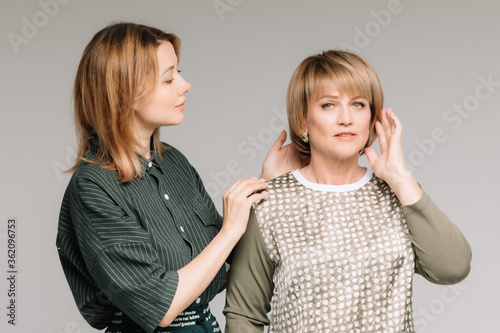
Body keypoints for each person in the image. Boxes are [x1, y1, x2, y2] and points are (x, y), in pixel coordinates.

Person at [56, 22, 302, 333]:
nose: (185, 85)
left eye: (179, 73)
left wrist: (265, 183)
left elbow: (222, 270)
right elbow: (161, 305)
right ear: (125, 92)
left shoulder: (173, 162)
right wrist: (229, 230)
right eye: (169, 78)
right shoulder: (93, 186)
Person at [224, 50, 472, 332]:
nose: (346, 118)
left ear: (371, 117)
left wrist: (401, 178)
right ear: (303, 121)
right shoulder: (269, 204)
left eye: (358, 104)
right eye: (329, 105)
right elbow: (244, 315)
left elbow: (453, 268)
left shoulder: (399, 194)